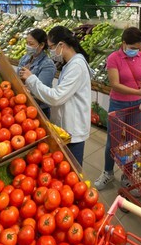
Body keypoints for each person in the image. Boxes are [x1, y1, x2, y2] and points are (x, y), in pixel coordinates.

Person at [94, 27, 141, 191]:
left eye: (138, 48)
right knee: (113, 141)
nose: (135, 51)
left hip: (137, 106)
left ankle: (127, 175)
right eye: (133, 47)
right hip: (118, 104)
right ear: (124, 43)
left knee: (133, 142)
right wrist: (138, 92)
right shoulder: (113, 58)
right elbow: (115, 84)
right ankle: (108, 173)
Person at [19, 26, 92, 165]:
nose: (50, 51)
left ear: (61, 45)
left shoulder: (77, 66)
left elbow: (56, 97)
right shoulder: (70, 64)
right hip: (66, 125)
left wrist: (31, 79)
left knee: (73, 169)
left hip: (73, 129)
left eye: (51, 47)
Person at [17, 29, 56, 119]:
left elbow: (41, 90)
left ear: (41, 45)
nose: (28, 46)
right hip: (23, 104)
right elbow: (17, 77)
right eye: (27, 43)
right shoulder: (25, 57)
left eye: (31, 44)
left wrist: (26, 82)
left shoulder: (47, 64)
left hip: (39, 109)